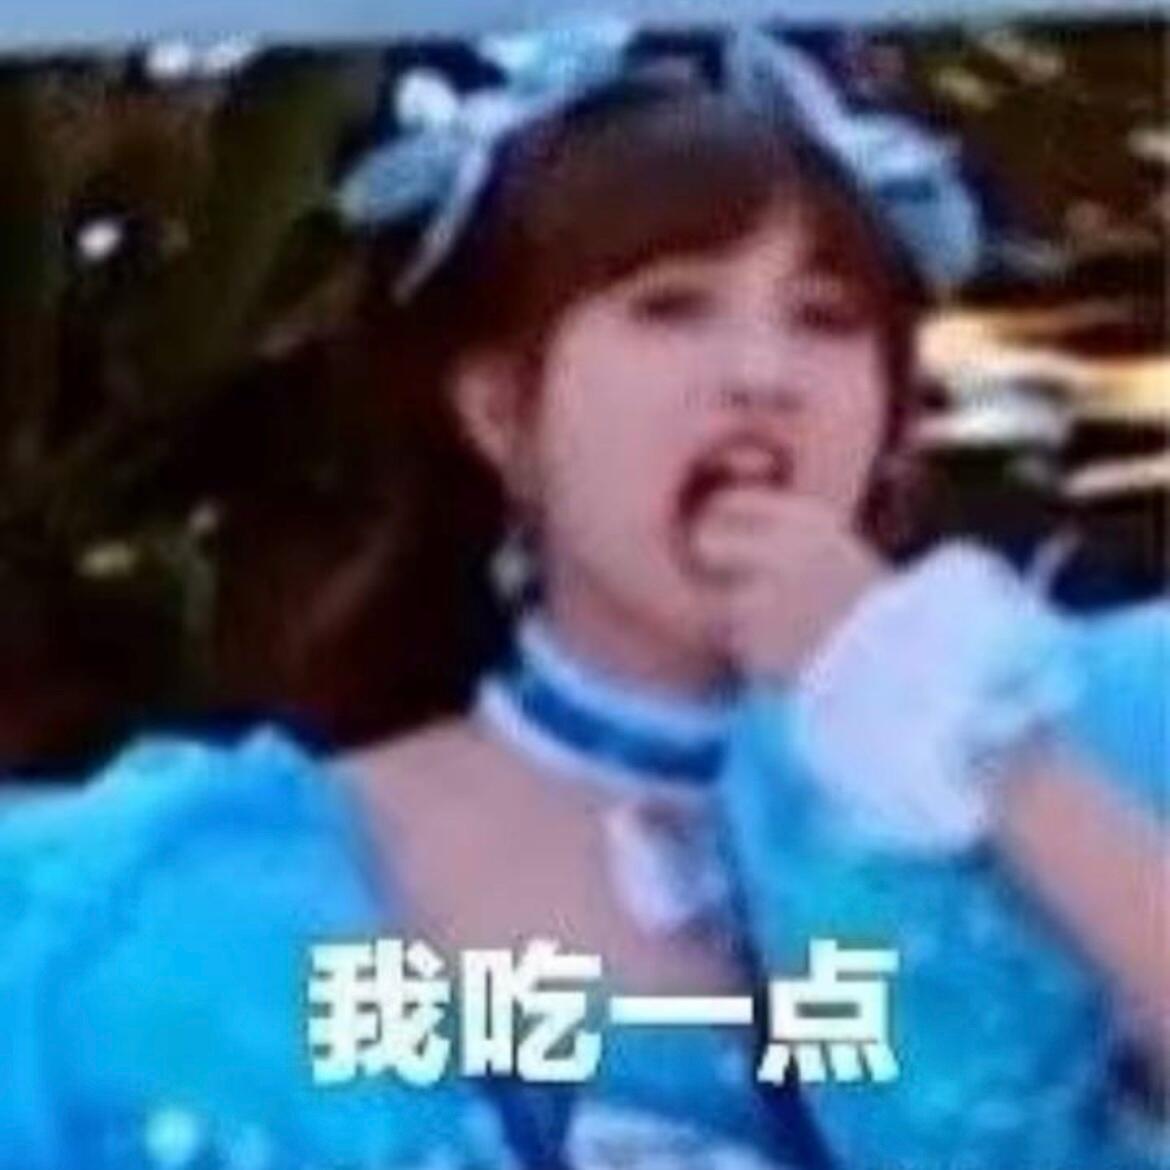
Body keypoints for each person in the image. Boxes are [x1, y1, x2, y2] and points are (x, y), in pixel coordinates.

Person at [0, 24, 1165, 1170]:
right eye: (671, 306)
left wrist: (968, 732)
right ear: (501, 411)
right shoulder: (175, 897)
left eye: (826, 319)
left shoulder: (1099, 757)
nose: (762, 375)